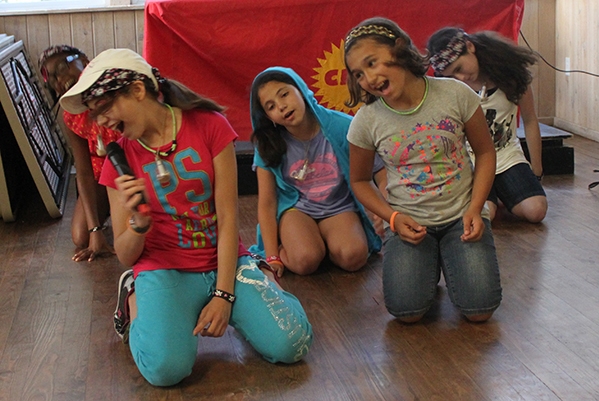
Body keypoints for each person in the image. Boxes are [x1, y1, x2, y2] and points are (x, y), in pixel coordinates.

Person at [59, 49, 313, 387]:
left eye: (104, 108)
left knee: (293, 344)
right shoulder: (118, 162)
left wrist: (224, 296)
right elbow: (126, 254)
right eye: (95, 114)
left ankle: (258, 274)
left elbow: (228, 219)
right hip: (164, 268)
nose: (101, 122)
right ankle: (134, 299)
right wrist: (138, 224)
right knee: (166, 370)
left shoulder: (210, 125)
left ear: (138, 90)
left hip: (224, 261)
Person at [343, 17, 502, 323]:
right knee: (407, 313)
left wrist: (476, 208)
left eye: (372, 63)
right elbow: (359, 180)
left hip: (461, 217)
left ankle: (450, 257)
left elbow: (485, 152)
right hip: (410, 223)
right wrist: (392, 217)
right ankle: (433, 261)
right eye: (358, 74)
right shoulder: (366, 121)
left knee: (480, 310)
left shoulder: (455, 94)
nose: (368, 78)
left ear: (399, 48)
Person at [249, 67, 383, 277]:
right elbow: (267, 203)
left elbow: (379, 171)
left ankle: (324, 242)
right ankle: (295, 242)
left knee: (353, 257)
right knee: (305, 261)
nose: (281, 106)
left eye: (284, 94)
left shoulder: (343, 126)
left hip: (339, 207)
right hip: (296, 210)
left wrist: (384, 212)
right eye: (271, 106)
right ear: (268, 117)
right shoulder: (268, 143)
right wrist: (273, 256)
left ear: (301, 90)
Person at [427, 27, 547, 223]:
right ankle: (495, 196)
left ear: (470, 47)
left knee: (536, 211)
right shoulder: (449, 87)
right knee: (485, 214)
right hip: (470, 161)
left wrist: (537, 171)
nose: (461, 78)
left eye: (459, 68)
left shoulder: (511, 74)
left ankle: (503, 191)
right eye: (452, 75)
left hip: (506, 155)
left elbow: (530, 120)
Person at [39, 45, 120, 262]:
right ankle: (107, 213)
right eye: (52, 79)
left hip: (132, 173)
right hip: (101, 177)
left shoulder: (114, 91)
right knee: (81, 237)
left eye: (62, 67)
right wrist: (95, 230)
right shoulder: (71, 115)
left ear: (84, 60)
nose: (59, 79)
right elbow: (83, 171)